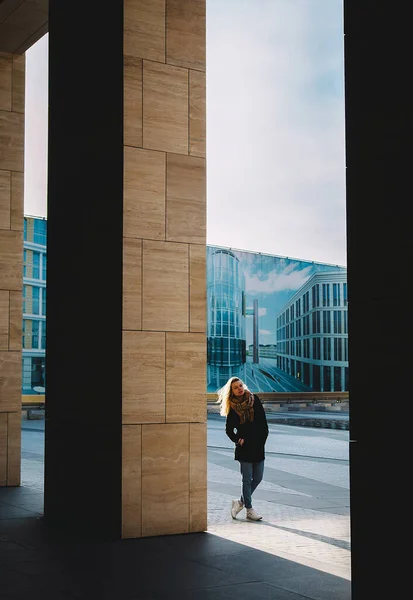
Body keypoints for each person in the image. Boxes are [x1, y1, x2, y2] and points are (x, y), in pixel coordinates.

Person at [217, 376, 269, 521]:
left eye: (240, 386)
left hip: (258, 446)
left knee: (258, 478)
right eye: (235, 387)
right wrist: (237, 440)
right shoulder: (232, 408)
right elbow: (228, 430)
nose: (239, 389)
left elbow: (263, 424)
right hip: (244, 448)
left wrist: (262, 441)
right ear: (231, 392)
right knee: (247, 480)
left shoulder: (254, 400)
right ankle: (249, 510)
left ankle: (239, 502)